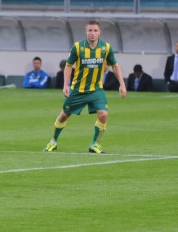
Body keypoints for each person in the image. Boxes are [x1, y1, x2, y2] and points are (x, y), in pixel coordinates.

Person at [44, 20, 126, 154]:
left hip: (96, 90)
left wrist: (122, 84)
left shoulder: (106, 48)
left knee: (103, 114)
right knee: (64, 115)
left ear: (99, 32)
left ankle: (94, 144)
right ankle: (53, 141)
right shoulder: (77, 47)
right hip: (78, 90)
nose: (92, 33)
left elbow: (115, 66)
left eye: (95, 31)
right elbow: (69, 65)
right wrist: (66, 85)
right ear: (86, 31)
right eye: (90, 30)